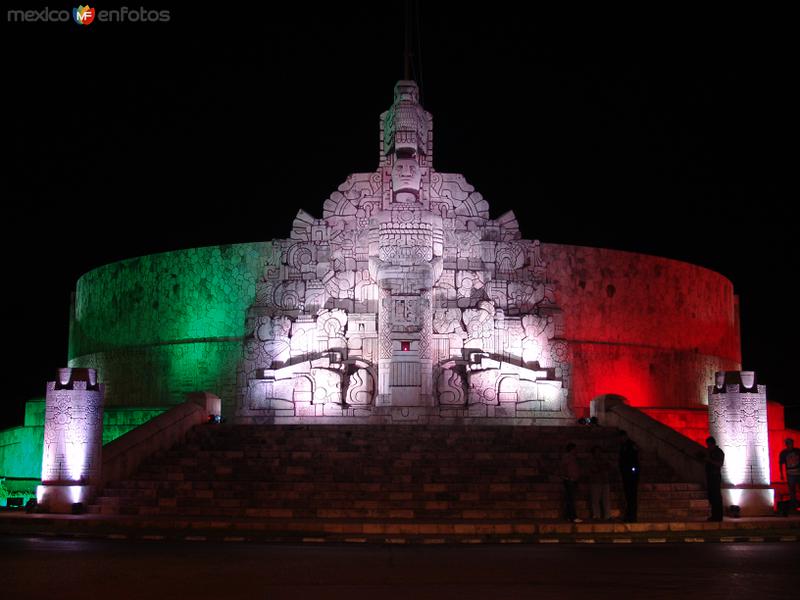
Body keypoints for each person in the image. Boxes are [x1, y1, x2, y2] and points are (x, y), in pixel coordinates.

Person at [618, 431, 639, 522]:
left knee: (632, 495)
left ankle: (632, 515)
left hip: (631, 474)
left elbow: (634, 459)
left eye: (621, 437)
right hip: (625, 473)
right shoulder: (623, 446)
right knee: (628, 495)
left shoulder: (631, 445)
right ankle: (629, 514)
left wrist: (633, 471)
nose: (620, 439)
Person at [587, 445, 612, 520]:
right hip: (595, 482)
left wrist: (602, 466)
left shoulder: (604, 459)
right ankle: (596, 515)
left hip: (605, 481)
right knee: (595, 499)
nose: (598, 453)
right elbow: (594, 469)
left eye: (599, 451)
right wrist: (602, 467)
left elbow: (609, 467)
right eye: (596, 451)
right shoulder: (591, 460)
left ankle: (607, 515)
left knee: (606, 499)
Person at [704, 436, 725, 521]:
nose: (708, 446)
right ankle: (714, 515)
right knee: (712, 496)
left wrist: (709, 460)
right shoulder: (710, 452)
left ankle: (718, 516)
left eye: (709, 444)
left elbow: (719, 464)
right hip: (710, 476)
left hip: (715, 476)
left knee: (716, 496)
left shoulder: (719, 452)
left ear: (712, 444)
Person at [560, 442, 582, 523]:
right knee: (571, 499)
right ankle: (573, 516)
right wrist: (568, 477)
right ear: (572, 449)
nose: (576, 450)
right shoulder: (567, 457)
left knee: (570, 499)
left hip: (572, 480)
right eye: (575, 448)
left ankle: (568, 516)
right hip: (570, 480)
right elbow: (564, 467)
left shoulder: (573, 457)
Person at [779, 438, 800, 512]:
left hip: (798, 473)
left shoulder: (797, 451)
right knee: (792, 490)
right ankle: (794, 505)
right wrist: (781, 474)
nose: (790, 445)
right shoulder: (784, 453)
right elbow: (781, 464)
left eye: (791, 443)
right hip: (790, 474)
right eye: (788, 443)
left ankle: (796, 505)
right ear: (786, 444)